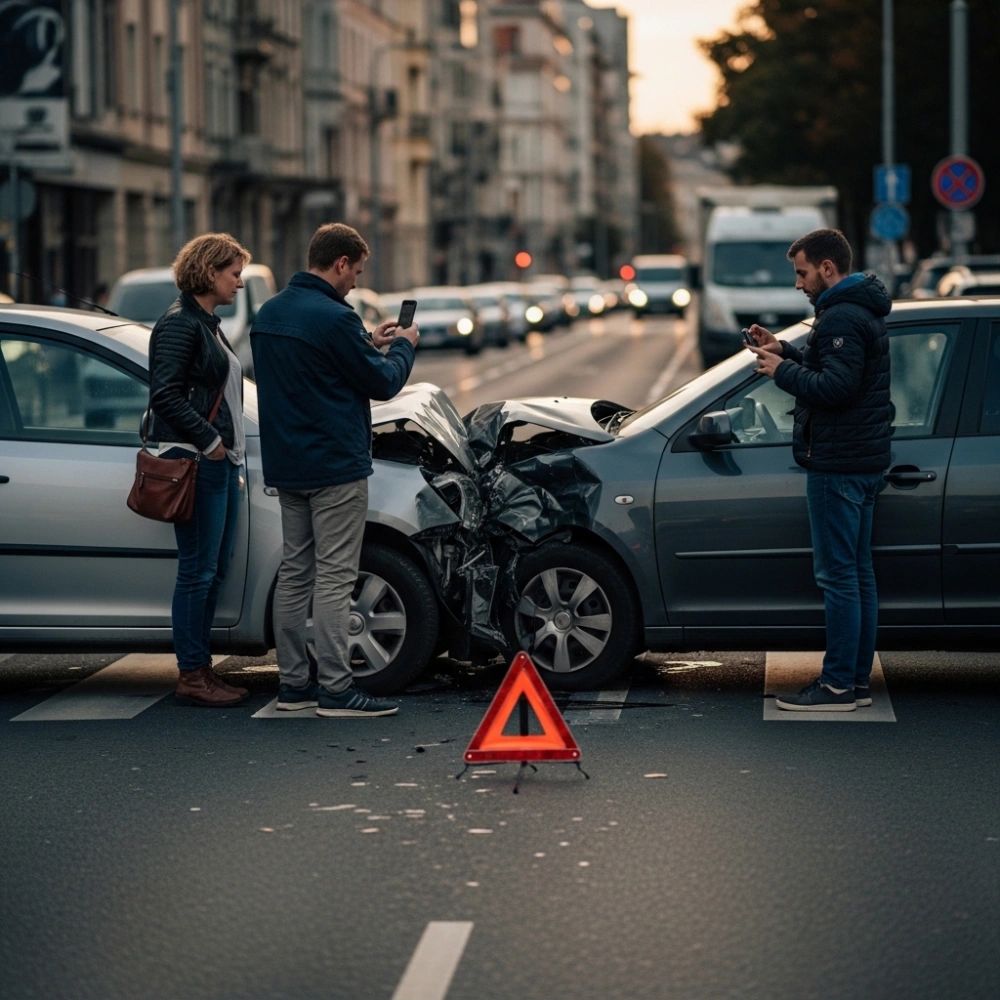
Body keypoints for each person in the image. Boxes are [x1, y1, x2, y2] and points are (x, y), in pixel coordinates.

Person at [250, 223, 419, 718]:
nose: (353, 283)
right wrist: (403, 344)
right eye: (355, 272)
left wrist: (367, 339)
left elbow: (310, 365)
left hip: (289, 466)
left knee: (296, 575)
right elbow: (384, 383)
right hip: (335, 467)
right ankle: (338, 689)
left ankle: (294, 686)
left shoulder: (270, 313)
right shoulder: (334, 317)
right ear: (340, 263)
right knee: (335, 578)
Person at [748, 228, 892, 712]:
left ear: (828, 269)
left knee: (838, 577)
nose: (798, 283)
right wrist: (785, 351)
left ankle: (835, 687)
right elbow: (835, 368)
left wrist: (779, 373)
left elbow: (835, 388)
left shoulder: (841, 317)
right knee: (858, 575)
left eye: (802, 272)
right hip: (863, 459)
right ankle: (854, 682)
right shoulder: (855, 310)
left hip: (838, 463)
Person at [147, 233, 252, 707]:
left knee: (213, 569)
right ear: (210, 273)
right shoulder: (179, 324)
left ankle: (202, 667)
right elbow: (164, 394)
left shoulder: (206, 322)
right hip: (195, 461)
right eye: (234, 273)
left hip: (219, 462)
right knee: (197, 570)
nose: (241, 282)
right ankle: (192, 674)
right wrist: (210, 442)